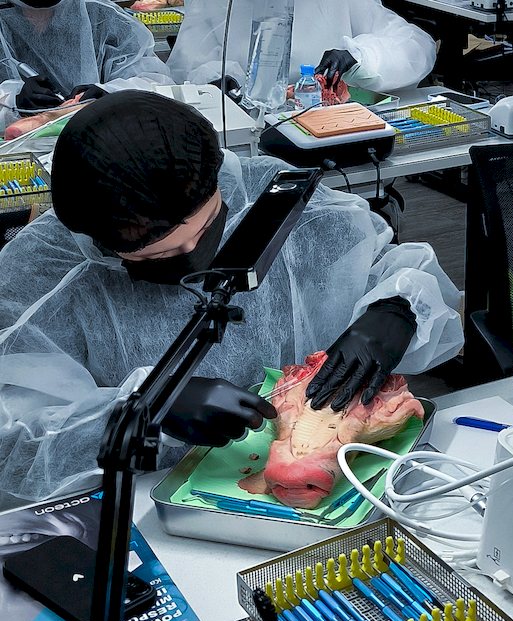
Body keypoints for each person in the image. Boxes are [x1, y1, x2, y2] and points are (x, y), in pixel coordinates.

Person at [0, 90, 463, 510]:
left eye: (206, 230)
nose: (192, 256)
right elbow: (14, 440)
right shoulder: (42, 276)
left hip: (321, 484)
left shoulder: (271, 201)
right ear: (102, 242)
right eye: (158, 255)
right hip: (144, 500)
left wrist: (395, 309)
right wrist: (143, 410)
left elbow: (392, 266)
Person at [167, 0, 436, 96]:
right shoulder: (216, 4)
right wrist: (219, 81)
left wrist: (360, 57)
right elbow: (189, 65)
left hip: (332, 124)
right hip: (250, 131)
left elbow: (415, 46)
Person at [0, 0, 172, 129]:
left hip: (99, 142)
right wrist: (11, 101)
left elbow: (157, 84)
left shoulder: (101, 16)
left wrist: (111, 93)